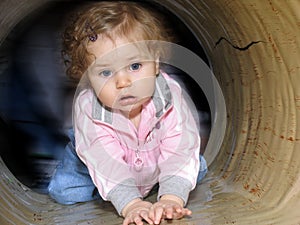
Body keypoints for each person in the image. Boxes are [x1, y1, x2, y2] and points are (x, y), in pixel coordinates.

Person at [48, 2, 208, 225]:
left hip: (153, 158)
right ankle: (112, 192)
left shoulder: (169, 95)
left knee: (193, 168)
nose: (122, 82)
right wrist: (130, 203)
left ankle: (156, 186)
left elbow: (179, 146)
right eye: (105, 72)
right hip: (97, 159)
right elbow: (105, 161)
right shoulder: (89, 105)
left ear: (155, 63)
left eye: (134, 66)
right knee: (66, 191)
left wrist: (172, 198)